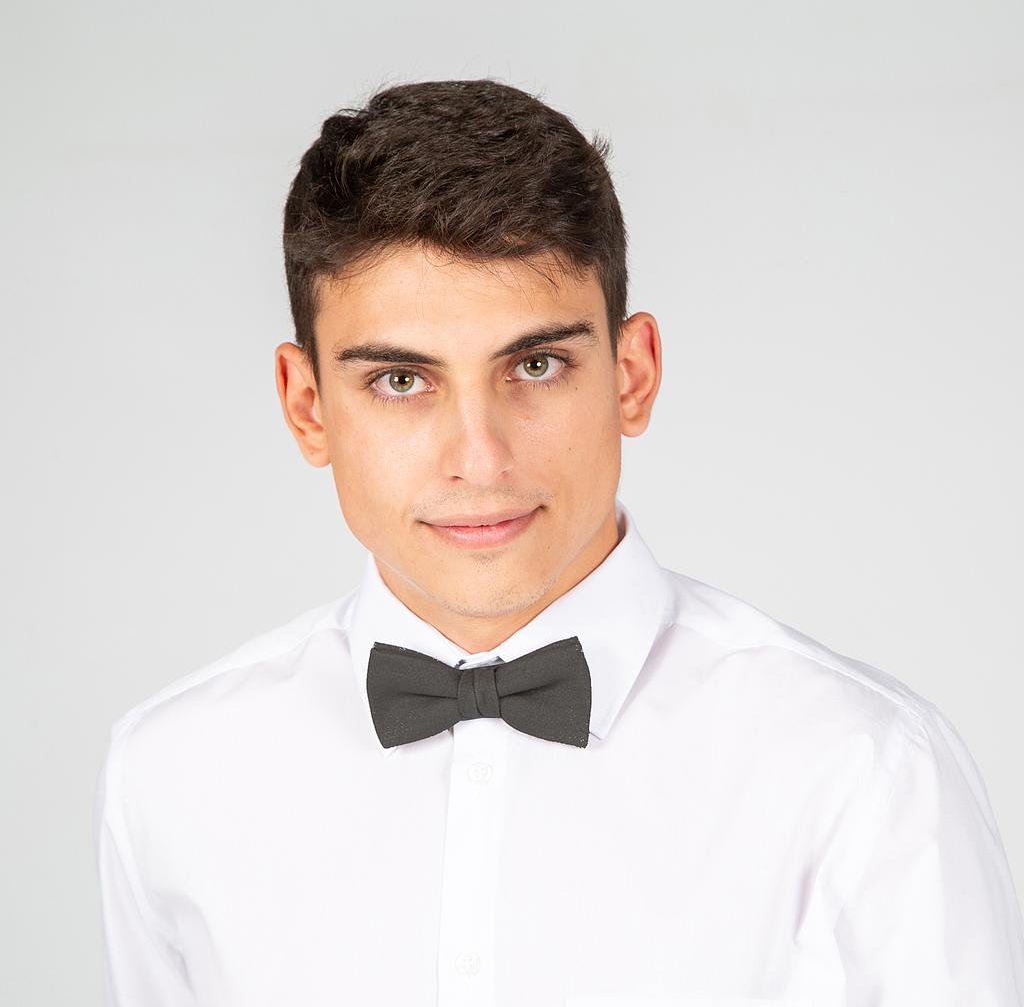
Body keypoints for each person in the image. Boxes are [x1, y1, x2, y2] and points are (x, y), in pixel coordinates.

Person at [94, 79, 1024, 1006]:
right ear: (307, 407)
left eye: (536, 366)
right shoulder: (172, 774)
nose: (479, 458)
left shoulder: (861, 768)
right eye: (401, 381)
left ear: (632, 375)